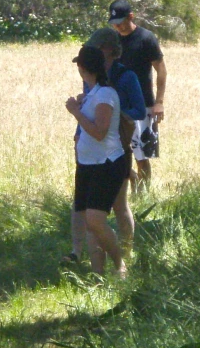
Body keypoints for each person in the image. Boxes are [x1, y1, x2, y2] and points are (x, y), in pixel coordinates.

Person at [62, 29, 145, 266]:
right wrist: (81, 123)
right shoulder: (93, 83)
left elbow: (138, 111)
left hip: (114, 150)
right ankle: (85, 260)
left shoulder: (125, 77)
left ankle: (124, 257)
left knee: (117, 206)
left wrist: (112, 114)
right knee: (86, 212)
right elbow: (92, 112)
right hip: (90, 153)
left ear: (108, 49)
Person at [65, 45, 127, 278]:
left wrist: (75, 112)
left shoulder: (105, 95)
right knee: (91, 223)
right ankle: (97, 275)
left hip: (107, 164)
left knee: (95, 220)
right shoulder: (93, 94)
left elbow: (100, 132)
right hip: (88, 164)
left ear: (82, 68)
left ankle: (120, 265)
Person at [108, 0, 167, 191]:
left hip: (144, 106)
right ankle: (127, 185)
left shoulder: (146, 38)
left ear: (131, 17)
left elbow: (161, 70)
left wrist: (159, 103)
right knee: (116, 153)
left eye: (121, 21)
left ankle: (142, 195)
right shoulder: (112, 40)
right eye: (114, 23)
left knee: (142, 156)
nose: (118, 26)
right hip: (117, 105)